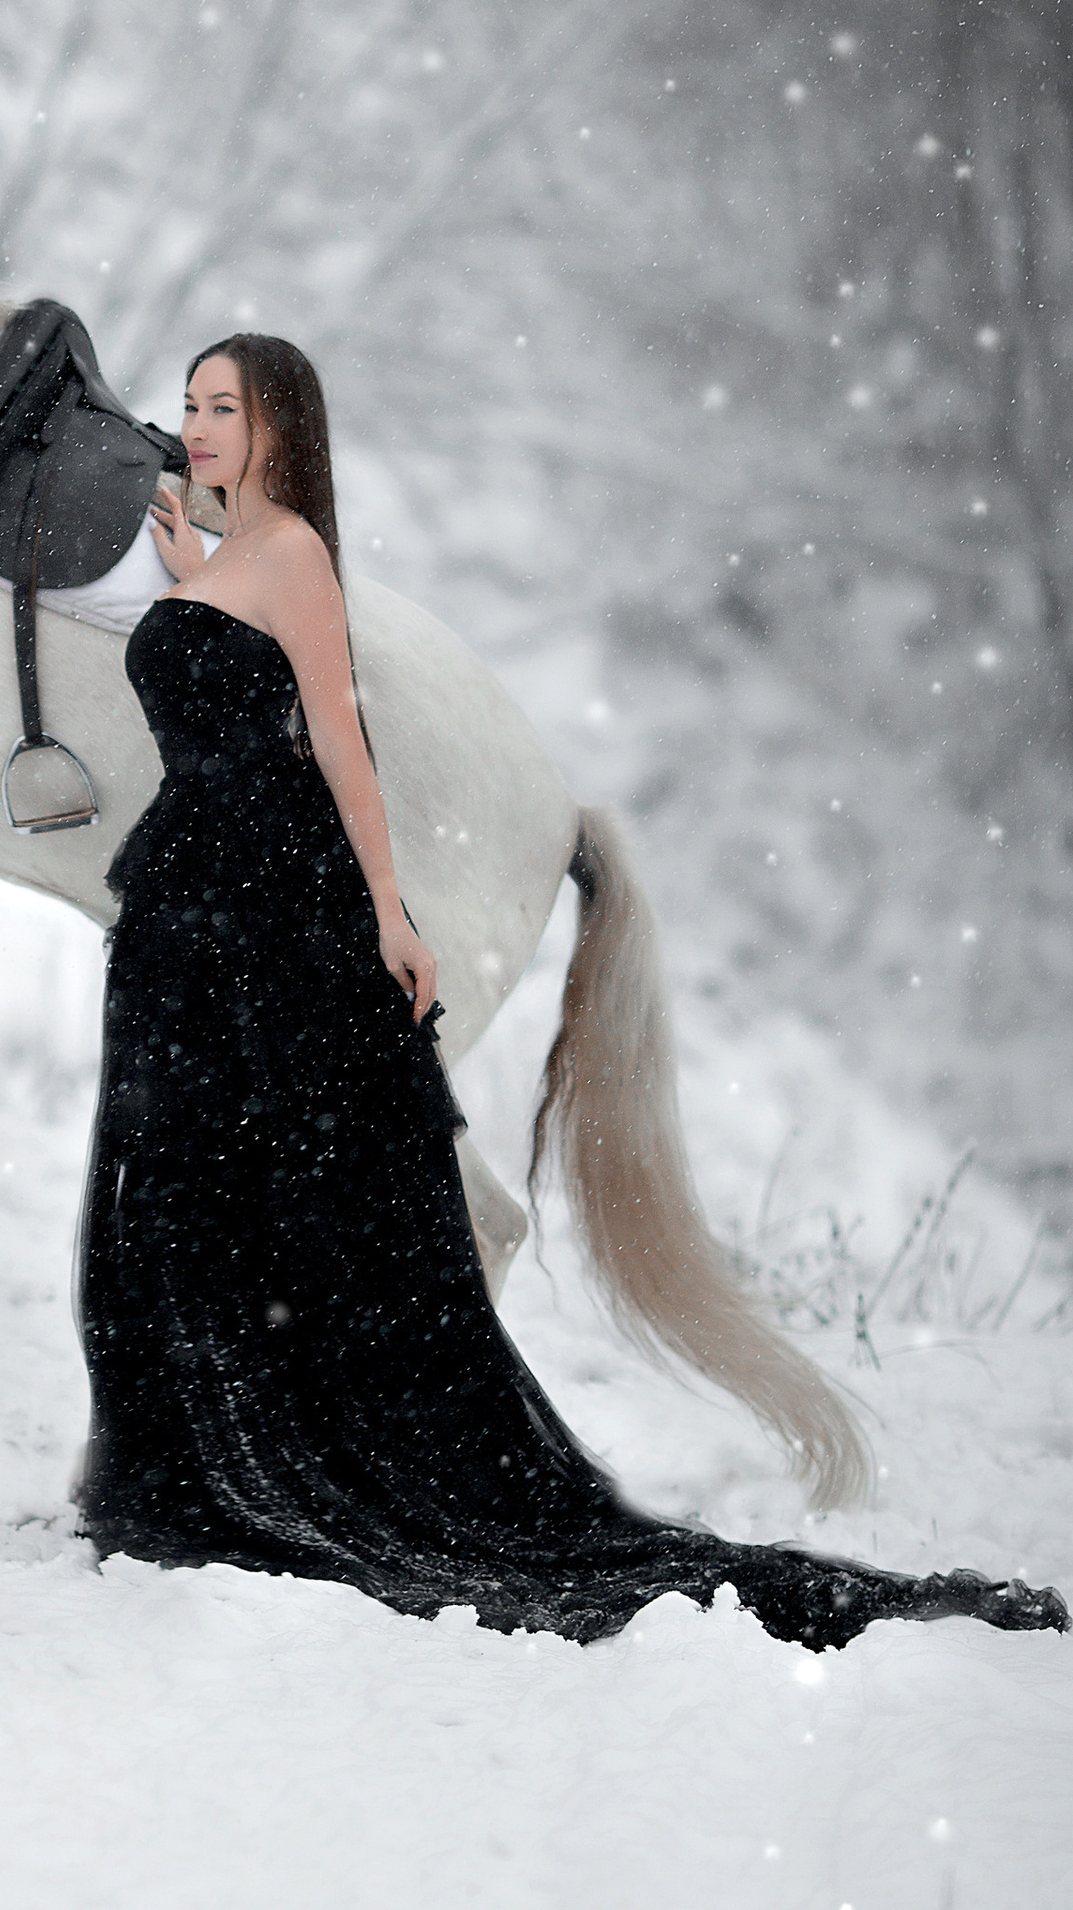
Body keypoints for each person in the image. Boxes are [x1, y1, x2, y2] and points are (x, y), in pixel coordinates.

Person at [73, 331, 1065, 1647]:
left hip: (265, 895)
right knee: (174, 1176)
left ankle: (288, 1457)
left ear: (278, 429)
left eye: (223, 408)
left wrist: (386, 909)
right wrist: (185, 570)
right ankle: (191, 1456)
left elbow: (342, 747)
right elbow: (212, 672)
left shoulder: (298, 556)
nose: (196, 427)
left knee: (265, 1177)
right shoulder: (228, 563)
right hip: (185, 906)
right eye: (190, 405)